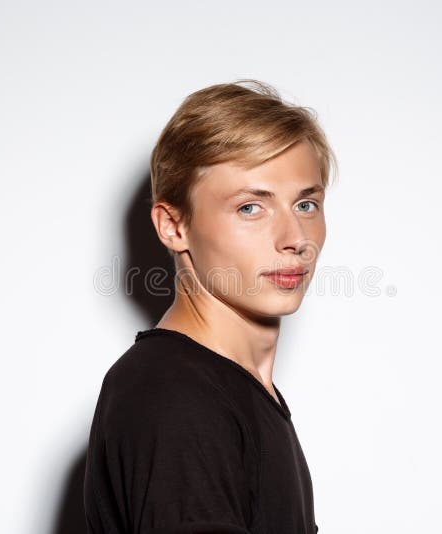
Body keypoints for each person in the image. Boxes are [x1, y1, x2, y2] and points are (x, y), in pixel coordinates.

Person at [84, 79, 337, 534]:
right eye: (250, 208)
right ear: (173, 226)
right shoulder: (174, 395)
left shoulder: (237, 393)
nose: (295, 238)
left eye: (305, 203)